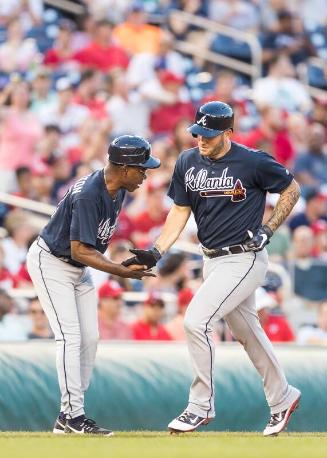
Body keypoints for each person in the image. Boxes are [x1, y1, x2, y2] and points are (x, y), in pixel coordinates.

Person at [123, 101, 302, 436]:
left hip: (244, 257)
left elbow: (291, 189)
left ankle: (200, 405)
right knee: (248, 334)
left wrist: (270, 227)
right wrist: (158, 250)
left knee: (196, 320)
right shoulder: (188, 161)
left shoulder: (252, 161)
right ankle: (283, 397)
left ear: (228, 132)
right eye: (198, 132)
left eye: (209, 133)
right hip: (211, 259)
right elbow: (179, 211)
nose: (201, 138)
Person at [26, 135, 160, 435]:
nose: (145, 174)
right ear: (124, 168)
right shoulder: (90, 193)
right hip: (52, 262)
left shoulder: (118, 188)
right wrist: (118, 272)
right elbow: (79, 249)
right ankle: (72, 415)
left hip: (78, 266)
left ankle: (70, 413)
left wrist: (119, 263)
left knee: (90, 338)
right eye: (142, 168)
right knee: (69, 337)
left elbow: (91, 246)